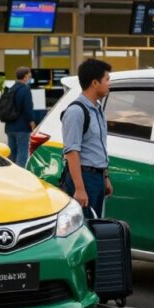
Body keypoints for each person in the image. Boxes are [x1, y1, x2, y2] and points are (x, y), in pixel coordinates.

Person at [61, 59, 112, 218]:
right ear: (95, 83)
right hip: (84, 178)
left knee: (96, 224)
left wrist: (105, 177)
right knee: (84, 227)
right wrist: (80, 188)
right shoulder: (76, 111)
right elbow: (72, 152)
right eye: (107, 80)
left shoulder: (97, 110)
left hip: (97, 178)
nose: (109, 84)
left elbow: (98, 147)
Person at [4, 67, 36, 167]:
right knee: (22, 152)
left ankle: (12, 173)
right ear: (25, 76)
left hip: (10, 127)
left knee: (12, 153)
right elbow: (28, 109)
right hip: (22, 127)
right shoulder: (25, 90)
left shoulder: (10, 89)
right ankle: (19, 174)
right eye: (29, 75)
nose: (30, 77)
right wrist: (32, 123)